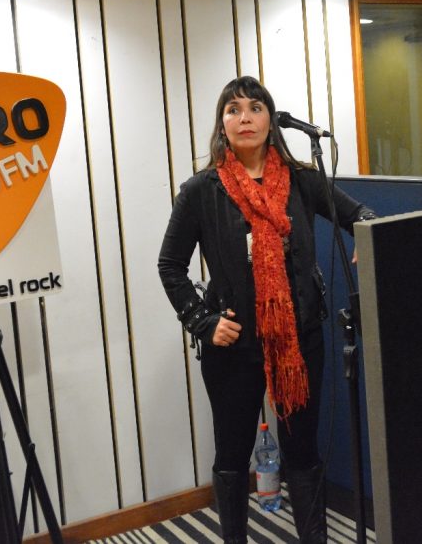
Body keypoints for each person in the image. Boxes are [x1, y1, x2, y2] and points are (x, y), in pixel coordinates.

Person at [158, 76, 375, 544]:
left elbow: (360, 214)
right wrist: (201, 321)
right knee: (233, 454)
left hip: (299, 340)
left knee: (302, 451)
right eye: (233, 109)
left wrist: (368, 236)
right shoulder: (201, 190)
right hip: (234, 345)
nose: (245, 118)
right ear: (222, 123)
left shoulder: (302, 179)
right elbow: (170, 265)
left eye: (255, 108)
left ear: (270, 120)